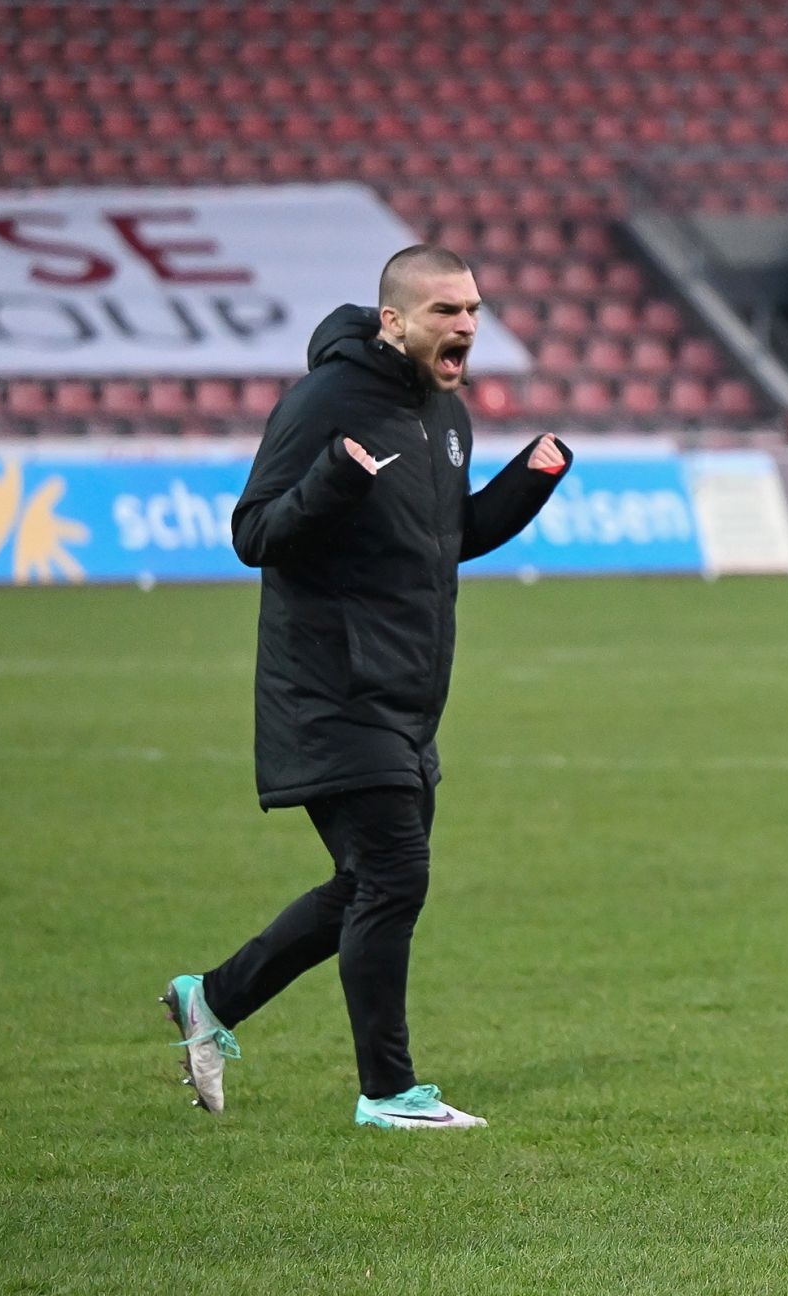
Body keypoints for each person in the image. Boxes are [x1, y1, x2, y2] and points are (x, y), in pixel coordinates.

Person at [161, 244, 572, 1130]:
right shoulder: (325, 403)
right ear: (393, 321)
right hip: (330, 689)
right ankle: (388, 1092)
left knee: (367, 884)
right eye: (445, 310)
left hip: (407, 699)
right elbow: (254, 533)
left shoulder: (445, 414)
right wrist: (336, 477)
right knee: (394, 877)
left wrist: (532, 479)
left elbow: (450, 537)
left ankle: (214, 998)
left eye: (473, 309)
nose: (466, 325)